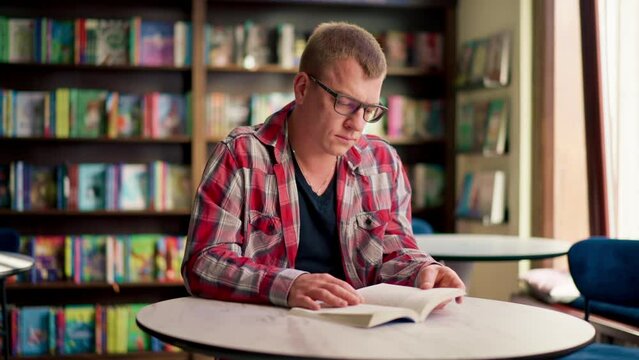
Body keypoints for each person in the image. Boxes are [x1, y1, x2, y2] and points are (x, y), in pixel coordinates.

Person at [182, 22, 464, 310]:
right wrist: (288, 285)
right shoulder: (241, 154)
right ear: (302, 88)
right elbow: (203, 263)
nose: (357, 124)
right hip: (264, 338)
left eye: (369, 109)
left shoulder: (383, 162)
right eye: (345, 102)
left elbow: (394, 252)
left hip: (355, 337)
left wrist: (422, 270)